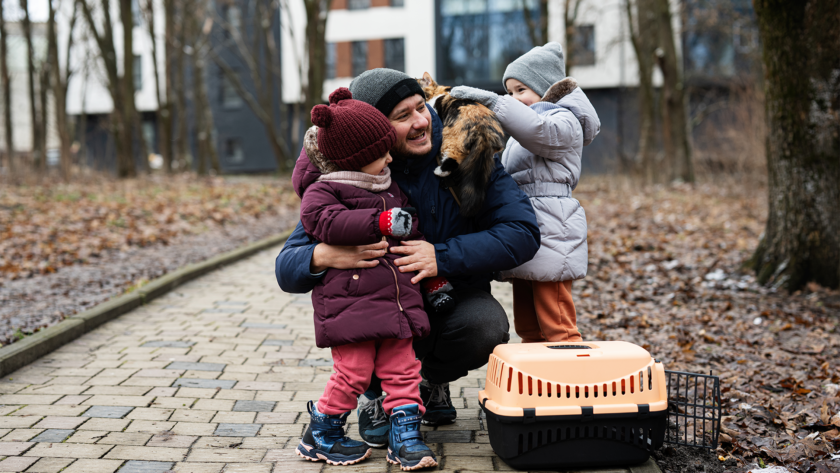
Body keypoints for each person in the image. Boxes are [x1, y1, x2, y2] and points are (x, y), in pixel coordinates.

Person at [276, 68, 541, 445]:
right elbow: (287, 268)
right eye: (403, 117)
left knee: (486, 326)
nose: (421, 122)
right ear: (373, 133)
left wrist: (441, 255)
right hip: (377, 309)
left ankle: (429, 383)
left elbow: (523, 233)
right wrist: (322, 254)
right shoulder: (348, 176)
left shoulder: (464, 150)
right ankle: (376, 396)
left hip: (447, 296)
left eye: (421, 107)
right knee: (358, 322)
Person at [294, 88, 442, 470]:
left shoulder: (387, 185)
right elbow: (324, 222)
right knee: (353, 372)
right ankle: (323, 432)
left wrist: (432, 280)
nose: (390, 157)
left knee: (404, 370)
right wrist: (376, 222)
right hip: (352, 304)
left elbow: (409, 236)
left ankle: (405, 437)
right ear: (358, 158)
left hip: (395, 303)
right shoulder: (324, 191)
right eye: (382, 152)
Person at [450, 42, 601, 343]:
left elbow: (539, 131)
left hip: (553, 231)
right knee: (528, 327)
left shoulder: (564, 122)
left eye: (521, 90)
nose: (513, 98)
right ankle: (535, 383)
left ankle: (572, 381)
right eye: (509, 92)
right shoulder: (523, 133)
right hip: (526, 230)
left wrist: (493, 102)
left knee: (557, 324)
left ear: (546, 89)